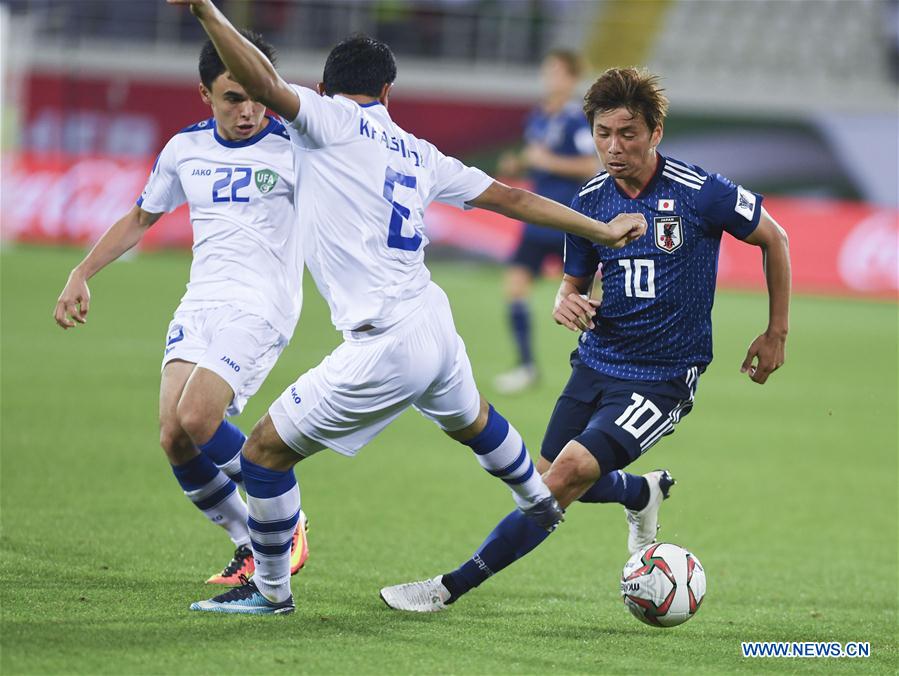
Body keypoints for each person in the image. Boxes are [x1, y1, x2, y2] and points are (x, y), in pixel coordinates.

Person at [169, 0, 647, 616]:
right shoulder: (418, 151)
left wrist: (207, 12)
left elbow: (260, 82)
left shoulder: (325, 120)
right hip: (432, 318)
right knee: (472, 421)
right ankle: (537, 497)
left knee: (262, 453)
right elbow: (511, 198)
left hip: (384, 341)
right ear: (388, 91)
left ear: (322, 87)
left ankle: (270, 592)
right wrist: (601, 230)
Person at [380, 67, 792, 612]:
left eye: (628, 134)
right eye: (603, 134)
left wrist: (775, 332)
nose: (614, 147)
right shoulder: (591, 199)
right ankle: (638, 491)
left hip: (661, 377)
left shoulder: (699, 193)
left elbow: (775, 237)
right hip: (598, 360)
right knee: (548, 476)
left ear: (656, 133)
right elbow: (573, 281)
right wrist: (563, 299)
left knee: (563, 480)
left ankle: (448, 587)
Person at [53, 31, 309, 587]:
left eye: (256, 95)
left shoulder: (296, 145)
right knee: (174, 434)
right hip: (202, 300)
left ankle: (286, 516)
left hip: (264, 303)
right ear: (204, 95)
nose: (248, 110)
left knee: (199, 418)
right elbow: (141, 218)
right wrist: (82, 272)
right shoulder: (184, 148)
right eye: (232, 98)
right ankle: (249, 541)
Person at [494, 50, 600, 394]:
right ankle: (526, 367)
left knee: (590, 300)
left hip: (568, 220)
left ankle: (602, 367)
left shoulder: (576, 120)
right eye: (548, 70)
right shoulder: (538, 117)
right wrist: (519, 166)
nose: (551, 77)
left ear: (571, 79)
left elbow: (590, 167)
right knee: (514, 286)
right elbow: (536, 160)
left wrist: (547, 160)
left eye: (557, 72)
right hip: (537, 219)